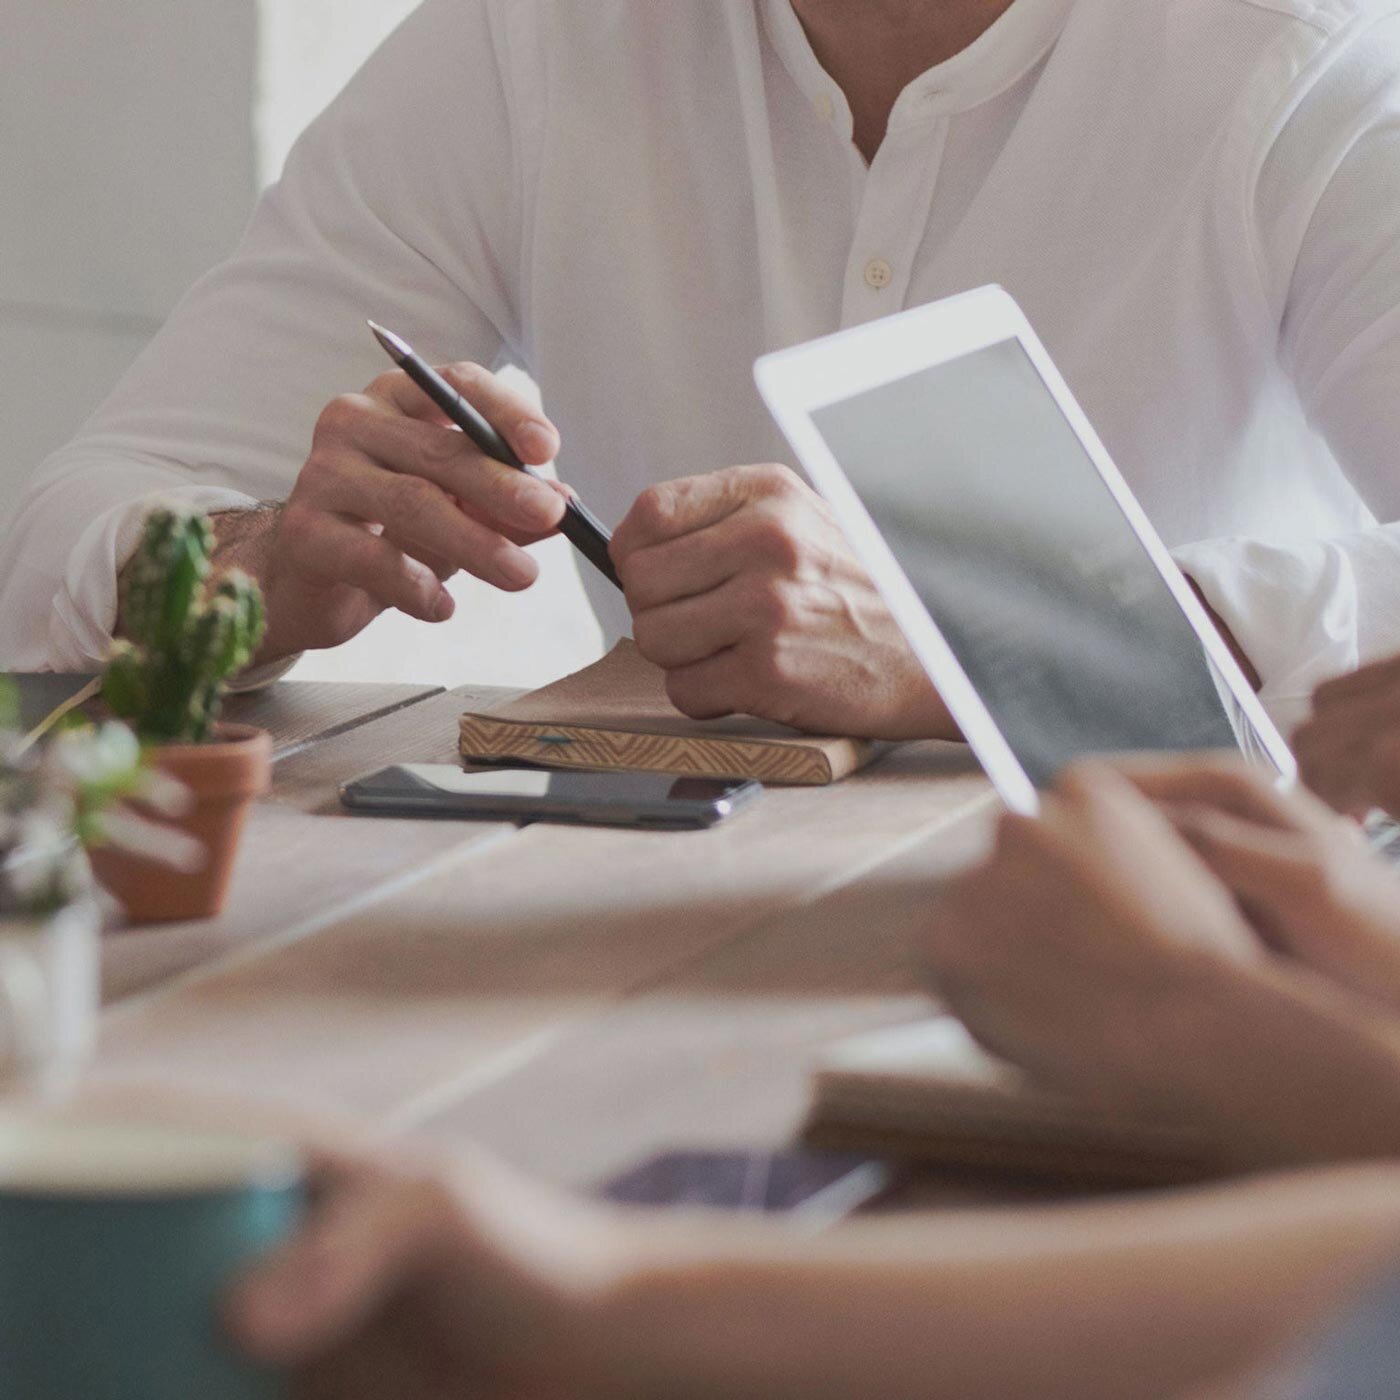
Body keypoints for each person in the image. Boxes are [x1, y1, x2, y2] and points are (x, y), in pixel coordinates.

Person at [6, 0, 1400, 739]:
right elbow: (62, 533)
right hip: (644, 930)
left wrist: (973, 639)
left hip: (1188, 942)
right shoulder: (535, 40)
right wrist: (255, 569)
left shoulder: (1306, 62)